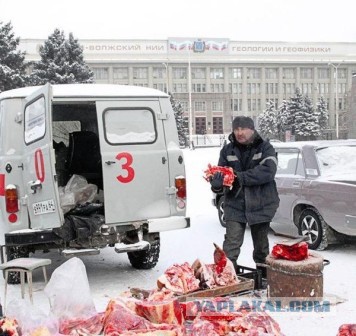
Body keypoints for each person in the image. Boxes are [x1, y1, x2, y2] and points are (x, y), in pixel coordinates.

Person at [210, 116, 280, 278]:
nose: (239, 132)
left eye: (243, 129)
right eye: (236, 129)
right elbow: (221, 175)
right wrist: (217, 184)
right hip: (235, 203)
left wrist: (240, 177)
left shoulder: (265, 148)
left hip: (261, 202)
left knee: (261, 246)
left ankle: (264, 277)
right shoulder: (227, 150)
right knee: (231, 244)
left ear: (252, 129)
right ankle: (227, 278)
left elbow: (268, 172)